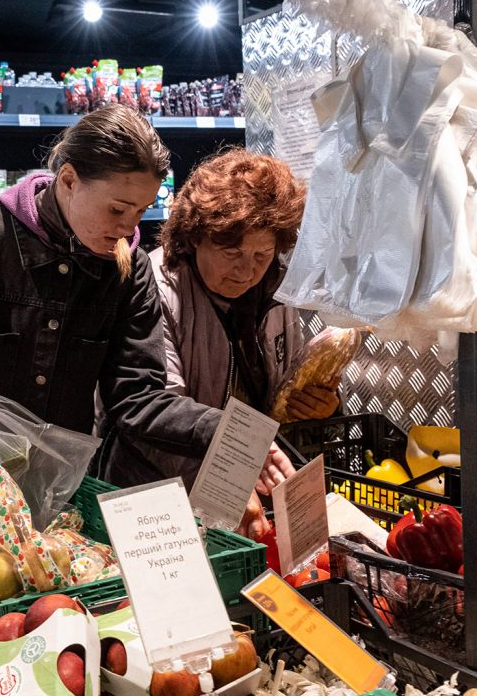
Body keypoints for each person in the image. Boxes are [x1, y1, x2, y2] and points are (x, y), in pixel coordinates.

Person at [0, 104, 293, 510]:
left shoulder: (129, 271)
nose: (129, 227)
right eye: (117, 208)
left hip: (50, 485)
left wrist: (228, 432)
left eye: (142, 210)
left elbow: (137, 396)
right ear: (69, 180)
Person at [101, 149, 338, 490]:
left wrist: (321, 407)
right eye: (232, 253)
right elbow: (160, 417)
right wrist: (229, 482)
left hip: (251, 479)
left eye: (262, 255)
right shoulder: (156, 288)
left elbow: (283, 391)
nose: (246, 271)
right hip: (161, 490)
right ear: (196, 237)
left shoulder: (276, 290)